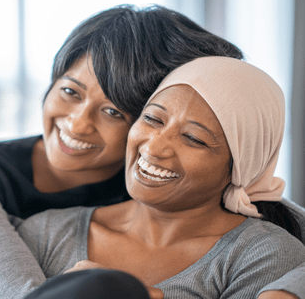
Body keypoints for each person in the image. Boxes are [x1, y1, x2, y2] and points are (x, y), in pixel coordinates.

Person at [0, 5, 245, 299]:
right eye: (70, 92)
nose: (77, 125)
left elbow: (278, 223)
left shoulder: (156, 180)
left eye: (113, 112)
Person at [16, 56, 305, 299]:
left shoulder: (264, 255)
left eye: (193, 138)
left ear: (240, 166)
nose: (153, 147)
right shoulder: (47, 233)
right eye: (153, 119)